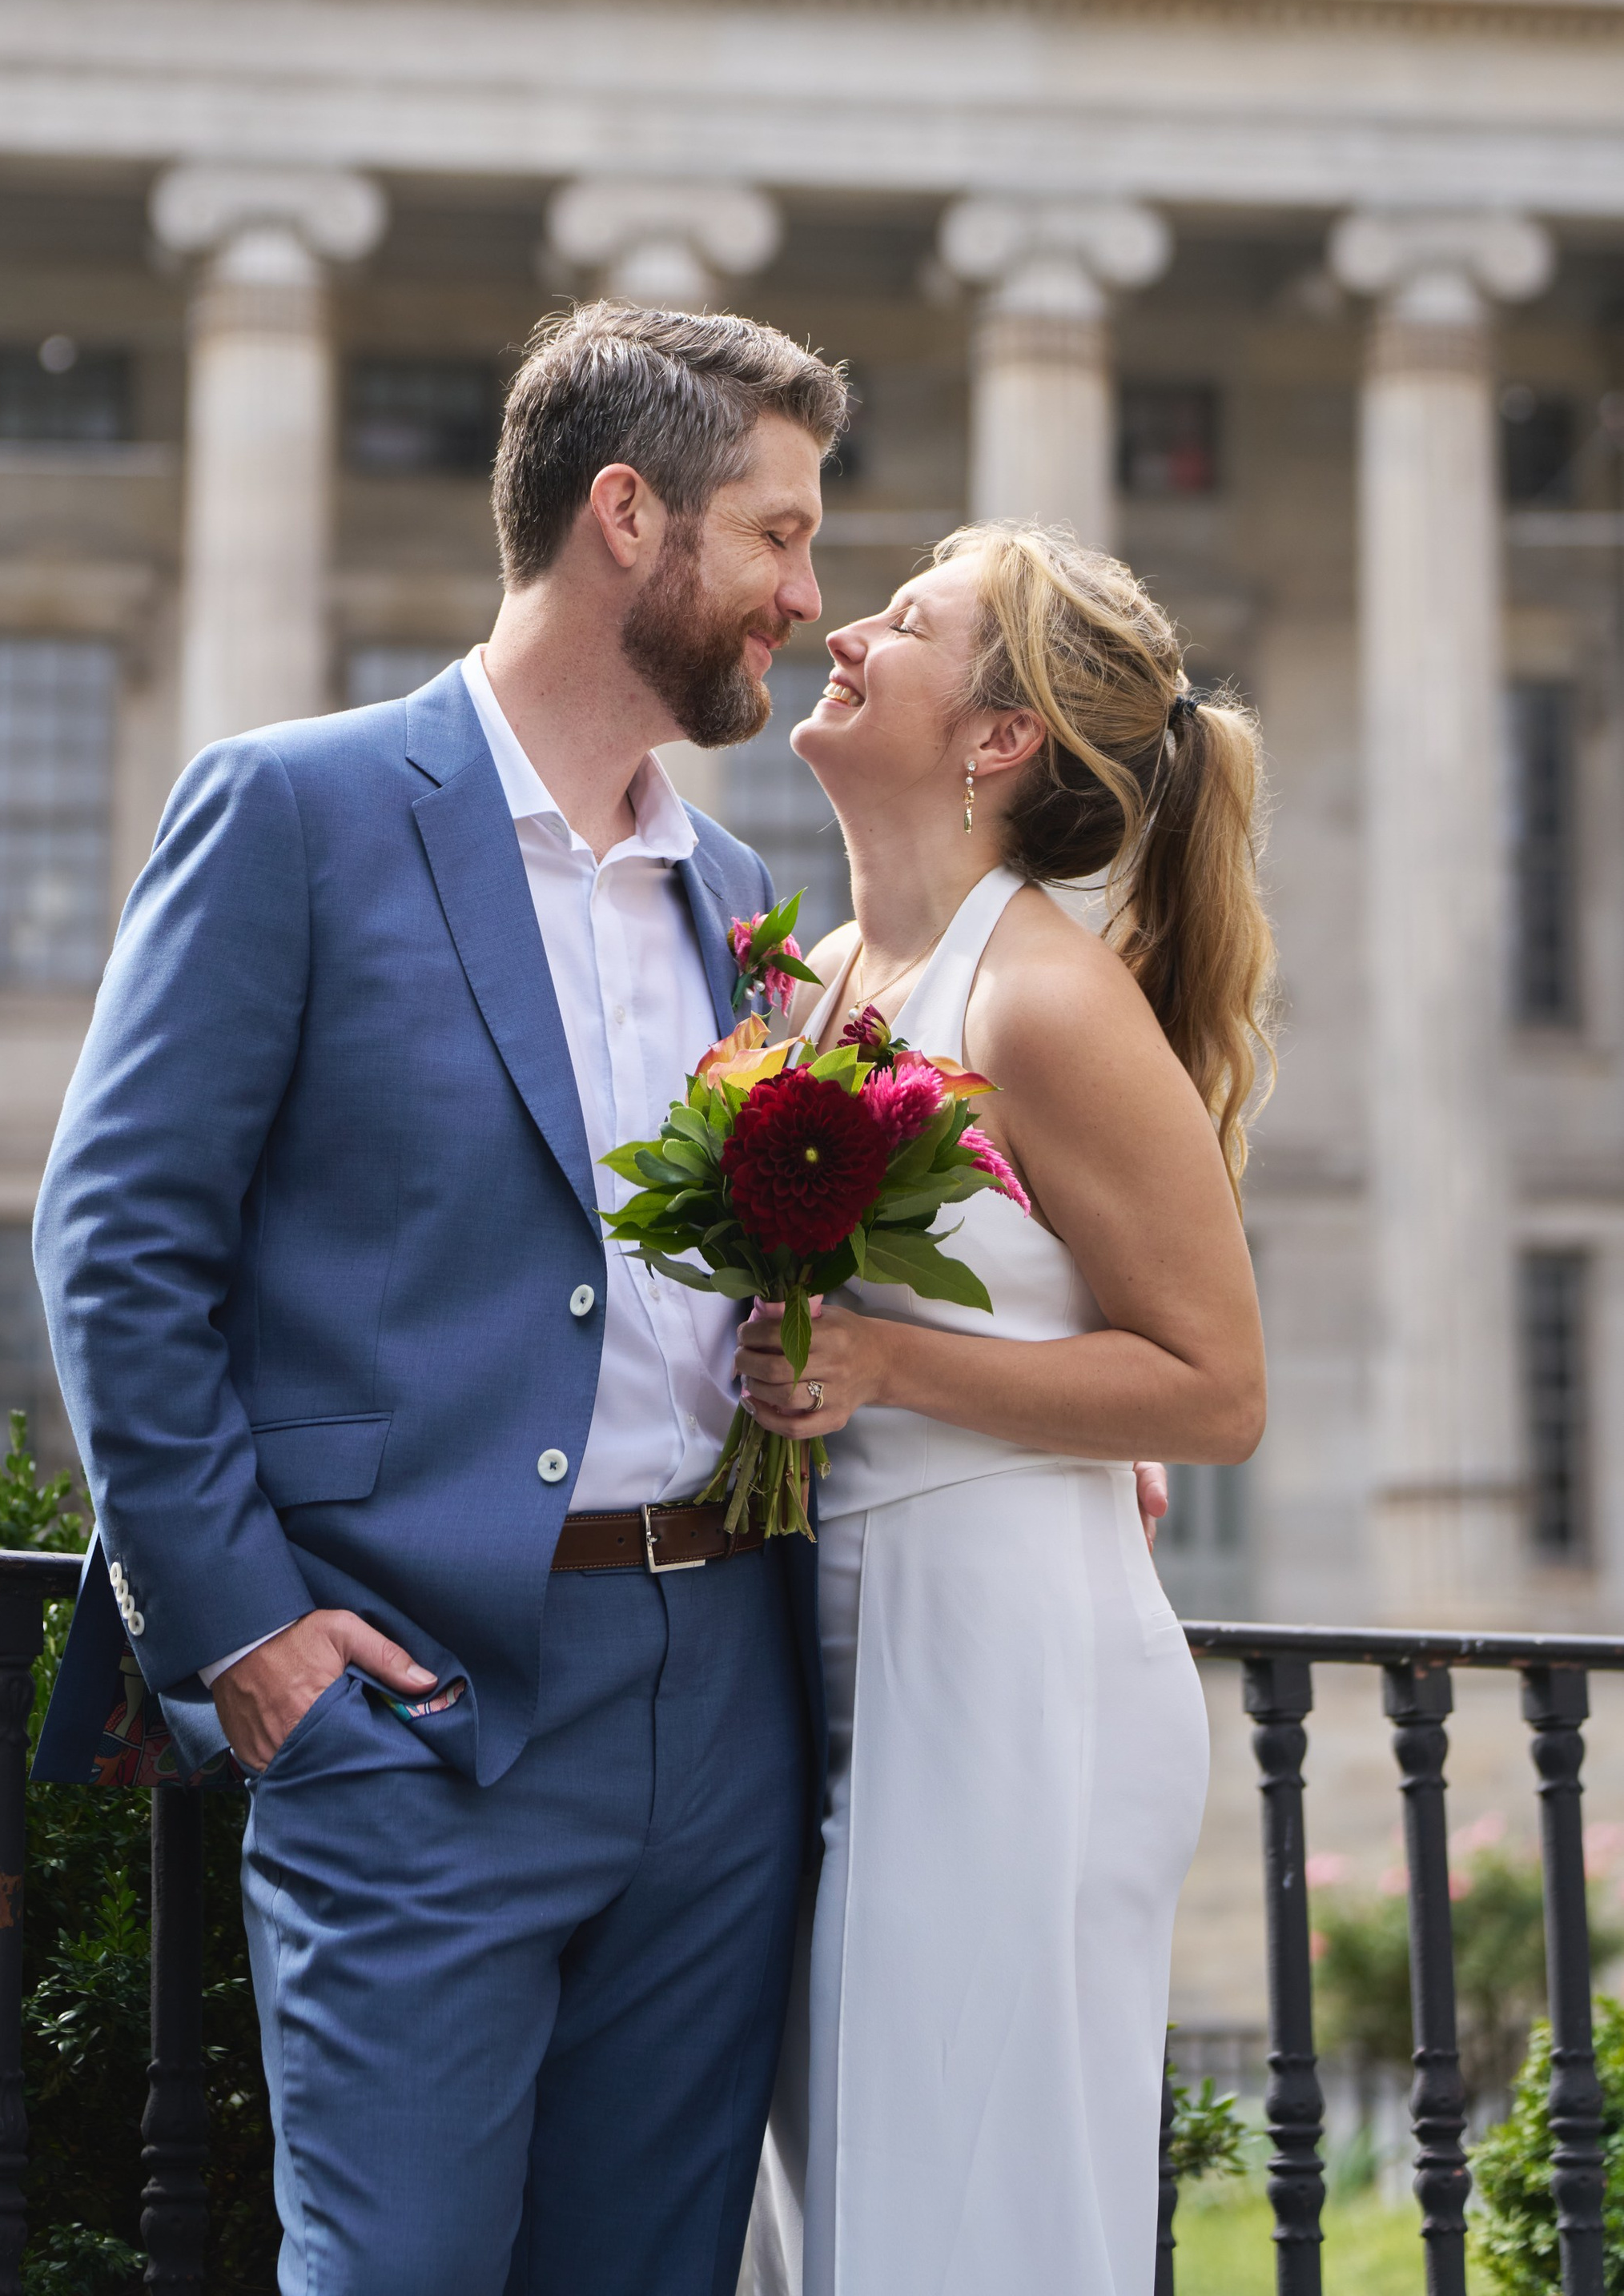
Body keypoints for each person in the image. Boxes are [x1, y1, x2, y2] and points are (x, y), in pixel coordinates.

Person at [30, 303, 851, 2296]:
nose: (808, 600)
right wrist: (248, 1643)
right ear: (625, 516)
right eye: (774, 534)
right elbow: (116, 1240)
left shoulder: (732, 884)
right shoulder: (292, 811)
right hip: (415, 1709)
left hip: (720, 1708)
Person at [738, 524, 1272, 2296]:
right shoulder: (813, 983)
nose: (841, 627)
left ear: (995, 739)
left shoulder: (1042, 995)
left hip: (1001, 1664)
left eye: (903, 620)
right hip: (824, 1649)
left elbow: (1214, 1386)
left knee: (958, 2220)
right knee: (838, 2214)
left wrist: (891, 1370)